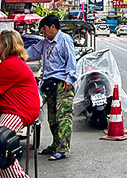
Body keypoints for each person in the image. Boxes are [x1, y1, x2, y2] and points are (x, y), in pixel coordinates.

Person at [0, 30, 39, 178]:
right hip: (12, 106)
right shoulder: (8, 63)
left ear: (7, 46)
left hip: (19, 110)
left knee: (1, 145)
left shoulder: (11, 64)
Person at [26, 15, 76, 161]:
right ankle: (55, 145)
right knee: (52, 118)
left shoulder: (65, 40)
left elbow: (71, 61)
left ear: (52, 27)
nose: (44, 32)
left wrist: (70, 79)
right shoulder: (45, 43)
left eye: (45, 29)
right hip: (49, 84)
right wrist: (16, 53)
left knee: (63, 117)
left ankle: (62, 148)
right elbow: (32, 52)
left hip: (63, 83)